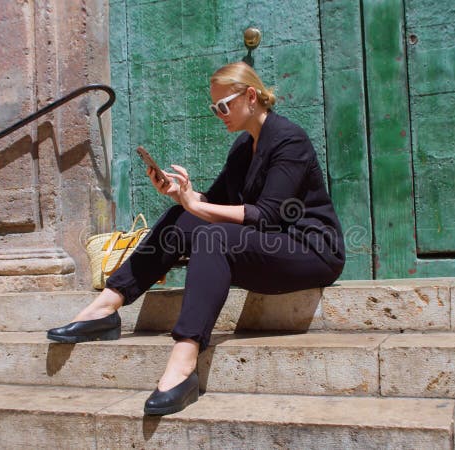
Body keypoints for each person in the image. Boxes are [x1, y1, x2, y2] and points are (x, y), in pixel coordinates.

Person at [47, 61, 345, 416]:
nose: (219, 114)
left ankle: (183, 362)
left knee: (212, 236)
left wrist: (196, 206)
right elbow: (212, 204)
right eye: (213, 108)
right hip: (267, 246)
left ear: (251, 96)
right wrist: (180, 195)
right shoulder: (241, 148)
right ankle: (106, 307)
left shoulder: (289, 140)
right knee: (185, 217)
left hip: (310, 250)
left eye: (223, 105)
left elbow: (266, 215)